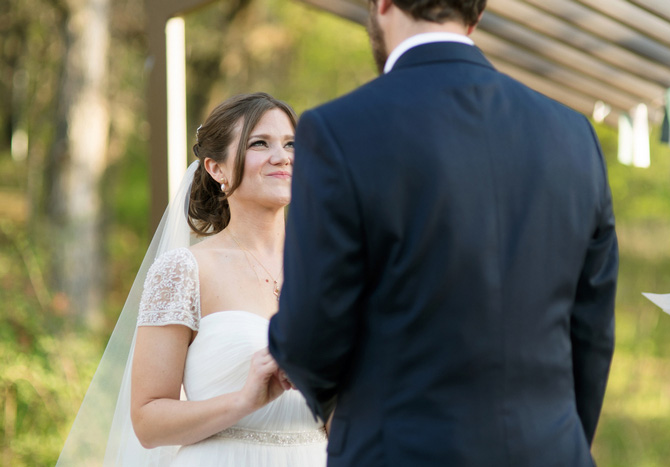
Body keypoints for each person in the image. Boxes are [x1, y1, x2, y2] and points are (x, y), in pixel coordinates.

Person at [268, 0, 618, 465]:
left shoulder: (337, 131)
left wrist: (353, 414)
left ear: (382, 4)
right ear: (474, 14)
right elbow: (592, 333)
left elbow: (309, 335)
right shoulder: (574, 134)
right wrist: (558, 436)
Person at [57, 92, 327, 466]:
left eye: (291, 143)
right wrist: (244, 400)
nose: (283, 156)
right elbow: (148, 423)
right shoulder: (184, 271)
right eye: (259, 143)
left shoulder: (330, 271)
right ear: (216, 168)